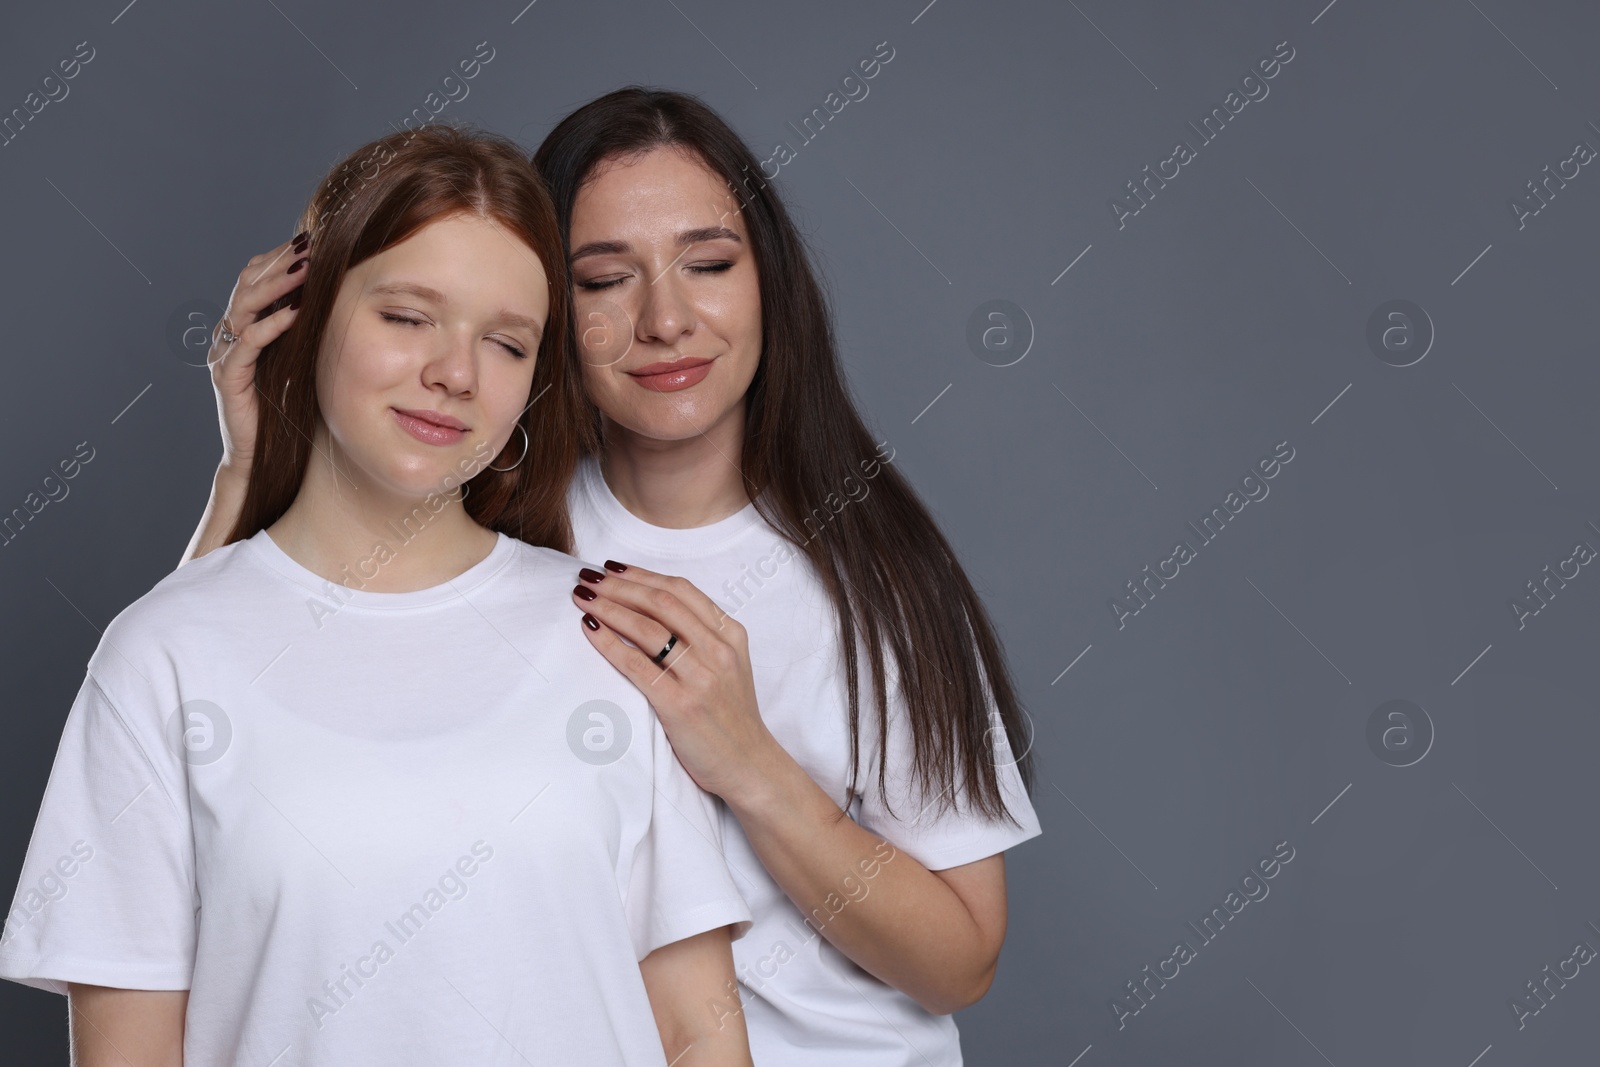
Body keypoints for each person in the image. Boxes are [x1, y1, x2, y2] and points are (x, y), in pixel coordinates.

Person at [181, 87, 1042, 1067]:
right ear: (543, 312)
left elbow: (959, 962)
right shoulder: (477, 532)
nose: (665, 318)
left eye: (709, 264)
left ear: (771, 283)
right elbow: (204, 745)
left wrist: (747, 760)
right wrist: (249, 466)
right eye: (602, 280)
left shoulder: (875, 571)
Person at [0, 124, 755, 1067]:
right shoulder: (162, 657)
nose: (455, 373)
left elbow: (698, 1033)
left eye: (507, 342)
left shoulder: (609, 632)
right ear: (305, 316)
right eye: (407, 317)